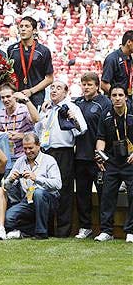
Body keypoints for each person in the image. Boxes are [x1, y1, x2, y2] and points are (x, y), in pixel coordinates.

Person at [35, 80, 87, 237]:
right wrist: (42, 113)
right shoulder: (46, 108)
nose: (54, 90)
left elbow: (82, 129)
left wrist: (73, 119)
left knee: (63, 189)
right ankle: (47, 228)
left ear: (66, 92)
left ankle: (63, 230)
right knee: (44, 188)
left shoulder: (71, 107)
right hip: (45, 151)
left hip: (63, 152)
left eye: (58, 88)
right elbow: (38, 128)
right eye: (52, 88)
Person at [73, 72, 112, 239]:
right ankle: (85, 226)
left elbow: (109, 130)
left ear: (97, 86)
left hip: (98, 157)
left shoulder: (105, 103)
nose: (86, 87)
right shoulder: (77, 103)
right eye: (84, 84)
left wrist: (103, 154)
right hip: (80, 156)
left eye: (89, 84)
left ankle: (105, 229)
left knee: (104, 194)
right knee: (82, 194)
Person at [4, 133, 62, 239]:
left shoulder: (49, 160)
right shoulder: (20, 161)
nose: (27, 151)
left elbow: (58, 184)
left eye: (30, 148)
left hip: (48, 201)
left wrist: (36, 178)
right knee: (8, 218)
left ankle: (41, 233)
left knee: (38, 192)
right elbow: (6, 186)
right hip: (28, 201)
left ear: (38, 145)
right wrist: (11, 179)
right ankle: (30, 231)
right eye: (25, 148)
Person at [94, 85, 133, 243]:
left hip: (130, 161)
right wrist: (100, 155)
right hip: (112, 161)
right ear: (110, 98)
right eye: (114, 95)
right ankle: (106, 231)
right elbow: (100, 139)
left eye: (120, 95)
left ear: (126, 97)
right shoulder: (106, 115)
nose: (117, 98)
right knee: (107, 195)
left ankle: (130, 231)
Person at [7, 16, 54, 108]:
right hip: (16, 97)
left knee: (35, 121)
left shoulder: (43, 51)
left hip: (36, 97)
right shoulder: (11, 49)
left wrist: (31, 91)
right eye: (21, 26)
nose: (23, 29)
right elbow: (9, 74)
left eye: (27, 26)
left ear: (34, 30)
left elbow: (49, 79)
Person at [0, 84, 40, 175]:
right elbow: (0, 132)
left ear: (15, 97)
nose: (5, 100)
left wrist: (21, 136)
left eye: (8, 96)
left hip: (25, 156)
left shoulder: (23, 109)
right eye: (2, 97)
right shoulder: (1, 112)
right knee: (10, 187)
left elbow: (36, 119)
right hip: (9, 157)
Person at [101, 30, 133, 99]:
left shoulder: (130, 59)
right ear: (129, 42)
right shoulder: (112, 59)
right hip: (116, 103)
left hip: (128, 101)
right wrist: (117, 97)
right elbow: (104, 84)